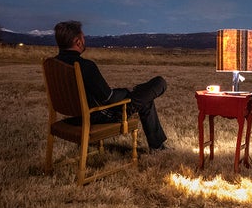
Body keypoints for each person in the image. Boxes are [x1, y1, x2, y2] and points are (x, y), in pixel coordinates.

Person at [54, 20, 169, 151]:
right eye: (83, 37)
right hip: (100, 114)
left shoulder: (53, 64)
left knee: (144, 97)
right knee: (159, 83)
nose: (84, 41)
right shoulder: (85, 66)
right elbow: (109, 98)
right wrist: (127, 91)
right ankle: (157, 146)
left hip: (77, 116)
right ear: (78, 42)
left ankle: (157, 145)